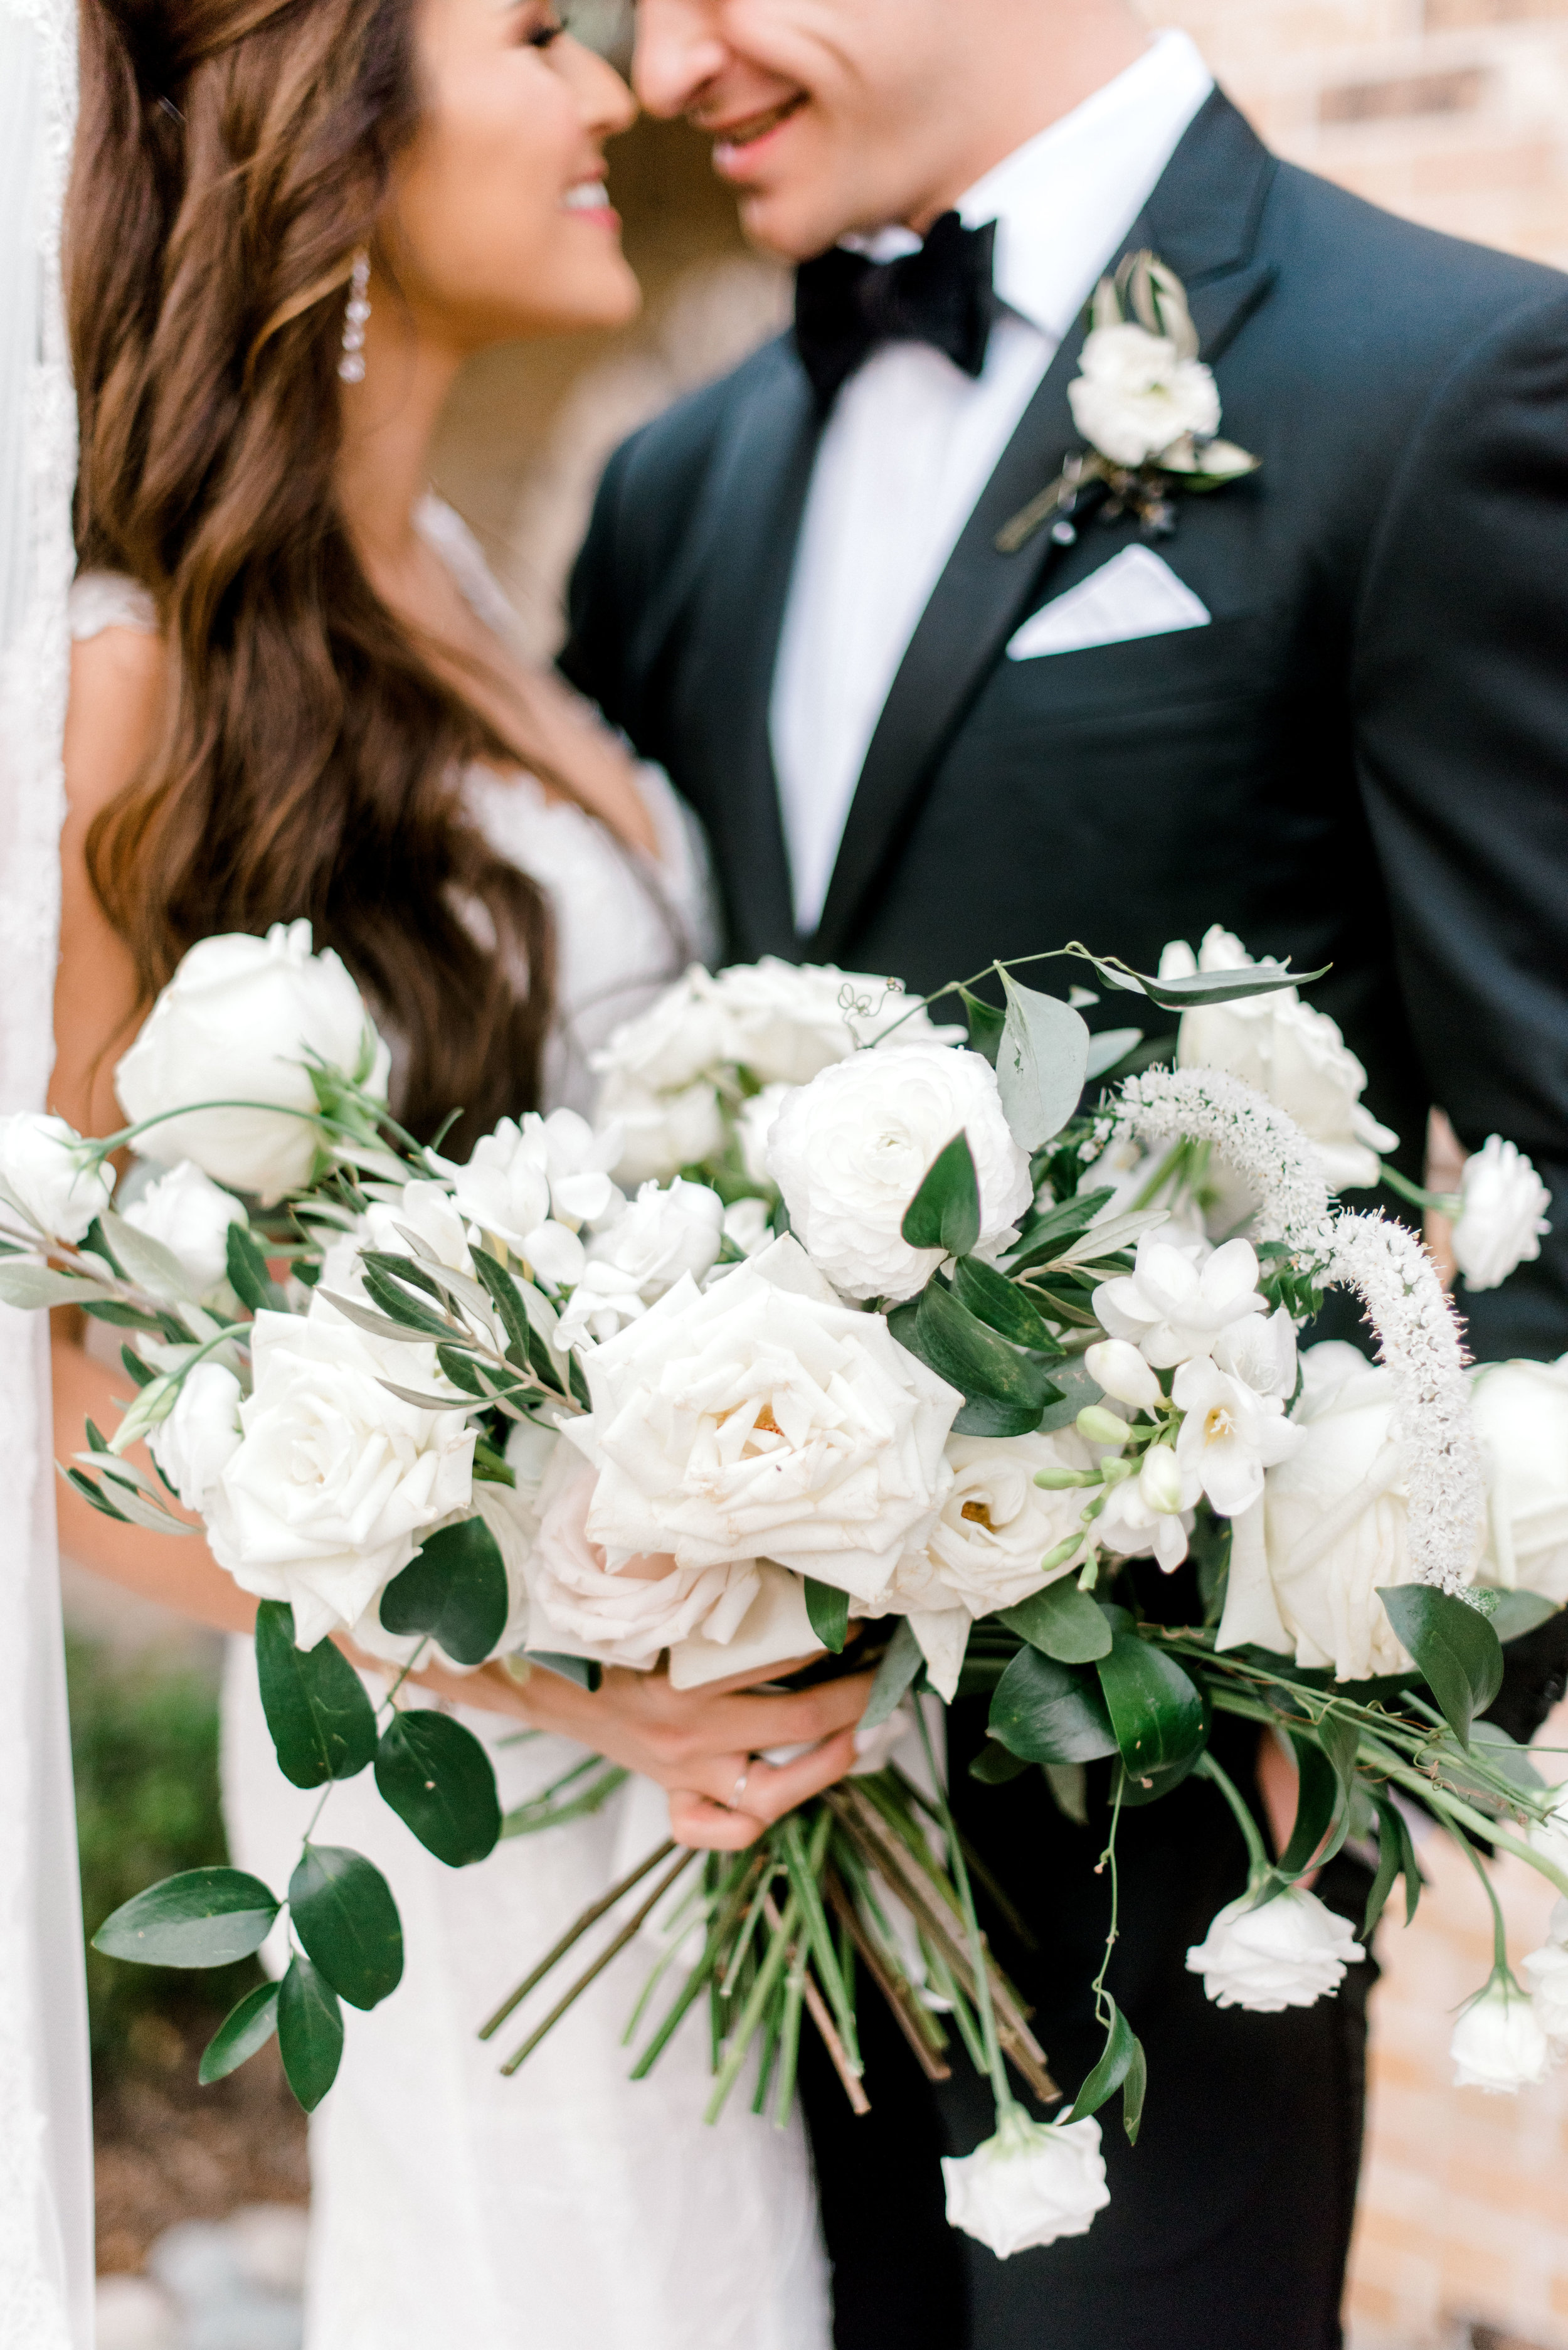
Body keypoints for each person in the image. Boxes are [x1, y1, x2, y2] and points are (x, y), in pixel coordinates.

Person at [561, 2, 1568, 2345]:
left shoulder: (1442, 379)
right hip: (712, 1839)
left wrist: (1364, 1733)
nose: (660, 62)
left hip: (1162, 1829)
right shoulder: (673, 485)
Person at [50, 1, 867, 2341]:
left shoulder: (454, 579)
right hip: (454, 1782)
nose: (618, 90)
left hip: (710, 1747)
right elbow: (68, 1413)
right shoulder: (134, 678)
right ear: (339, 144)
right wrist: (575, 1672)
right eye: (537, 35)